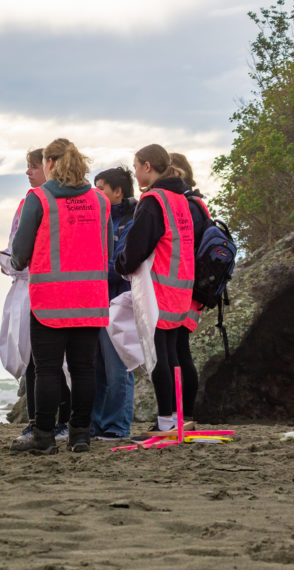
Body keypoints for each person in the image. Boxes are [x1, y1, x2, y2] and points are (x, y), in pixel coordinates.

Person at [9, 138, 111, 454]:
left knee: (48, 370)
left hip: (50, 301)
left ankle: (43, 436)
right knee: (83, 369)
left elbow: (21, 252)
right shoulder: (100, 201)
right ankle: (80, 434)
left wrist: (15, 262)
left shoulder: (39, 199)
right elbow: (105, 247)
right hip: (90, 299)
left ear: (50, 163)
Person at [115, 144, 195, 434]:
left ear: (148, 166)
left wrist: (121, 264)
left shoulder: (153, 201)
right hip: (181, 288)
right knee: (174, 355)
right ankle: (177, 417)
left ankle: (165, 420)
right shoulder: (181, 199)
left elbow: (137, 245)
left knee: (158, 355)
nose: (135, 173)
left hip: (157, 287)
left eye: (136, 167)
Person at [3, 149, 73, 448]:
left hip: (53, 289)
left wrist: (15, 262)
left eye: (33, 167)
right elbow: (15, 245)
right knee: (36, 360)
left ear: (50, 167)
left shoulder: (62, 202)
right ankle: (38, 423)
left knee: (60, 363)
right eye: (27, 167)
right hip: (34, 287)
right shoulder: (26, 204)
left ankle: (64, 423)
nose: (29, 173)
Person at [90, 167, 138, 440]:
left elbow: (121, 263)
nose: (96, 194)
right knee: (95, 367)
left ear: (117, 192)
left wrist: (90, 267)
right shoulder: (97, 218)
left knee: (118, 367)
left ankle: (117, 426)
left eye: (101, 189)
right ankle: (95, 424)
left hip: (120, 303)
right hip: (96, 301)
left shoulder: (132, 220)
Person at [168, 152, 212, 425]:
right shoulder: (198, 203)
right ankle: (182, 414)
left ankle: (182, 414)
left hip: (185, 287)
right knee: (179, 349)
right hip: (194, 287)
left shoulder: (188, 205)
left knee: (178, 349)